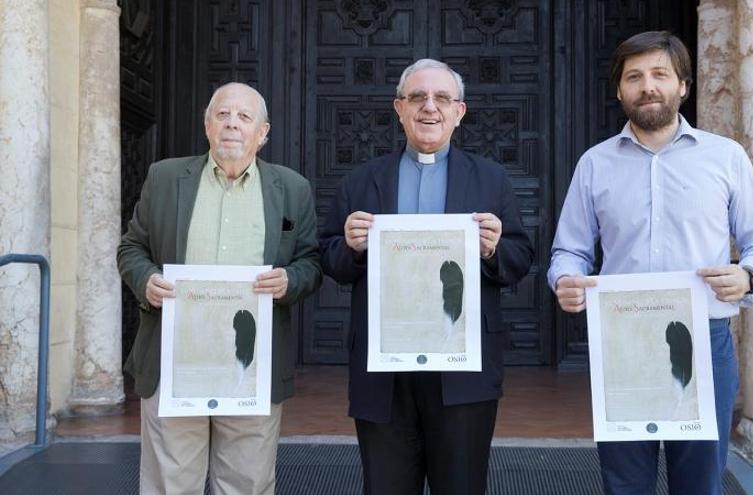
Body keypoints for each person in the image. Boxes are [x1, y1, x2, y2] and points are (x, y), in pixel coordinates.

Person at [548, 31, 753, 495]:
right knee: (624, 482)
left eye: (660, 74)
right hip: (624, 343)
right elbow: (568, 251)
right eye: (634, 77)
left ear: (683, 86)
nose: (647, 86)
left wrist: (748, 275)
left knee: (699, 483)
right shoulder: (594, 164)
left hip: (705, 340)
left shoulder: (726, 157)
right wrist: (566, 280)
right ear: (619, 90)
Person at [320, 58, 534, 495]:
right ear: (399, 108)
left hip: (463, 370)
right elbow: (330, 260)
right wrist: (350, 246)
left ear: (460, 111)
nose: (429, 107)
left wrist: (492, 249)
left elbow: (520, 258)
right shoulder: (361, 181)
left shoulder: (492, 179)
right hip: (383, 372)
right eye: (417, 97)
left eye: (442, 98)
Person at [117, 82, 322, 494]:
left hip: (252, 362)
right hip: (173, 360)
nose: (232, 124)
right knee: (169, 483)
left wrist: (289, 280)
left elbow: (310, 262)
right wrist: (145, 281)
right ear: (206, 125)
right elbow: (132, 247)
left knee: (246, 483)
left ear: (263, 133)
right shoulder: (165, 177)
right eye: (222, 115)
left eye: (245, 117)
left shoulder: (292, 188)